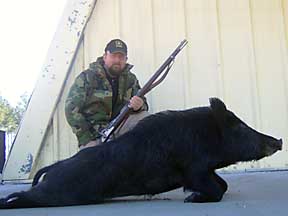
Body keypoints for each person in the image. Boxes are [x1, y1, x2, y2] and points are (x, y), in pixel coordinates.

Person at [65, 39, 149, 149]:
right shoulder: (87, 77)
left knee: (144, 117)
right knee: (91, 162)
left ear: (126, 59)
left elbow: (144, 105)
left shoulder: (130, 79)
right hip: (93, 135)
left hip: (119, 129)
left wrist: (139, 106)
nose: (117, 60)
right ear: (105, 57)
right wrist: (86, 138)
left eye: (121, 57)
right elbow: (71, 108)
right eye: (113, 56)